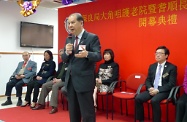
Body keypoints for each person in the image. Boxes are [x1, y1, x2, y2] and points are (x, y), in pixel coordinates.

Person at [62, 13, 102, 122]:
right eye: (69, 23)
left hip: (84, 81)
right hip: (70, 81)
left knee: (87, 113)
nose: (70, 25)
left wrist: (87, 54)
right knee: (73, 112)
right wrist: (66, 52)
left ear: (81, 23)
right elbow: (65, 59)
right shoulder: (69, 39)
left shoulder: (91, 38)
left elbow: (98, 56)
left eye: (73, 22)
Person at [135, 46, 177, 122]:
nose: (157, 55)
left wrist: (157, 90)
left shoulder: (172, 67)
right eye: (156, 53)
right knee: (138, 98)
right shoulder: (152, 66)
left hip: (163, 90)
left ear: (166, 55)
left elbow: (171, 84)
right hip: (152, 88)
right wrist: (149, 87)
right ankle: (140, 120)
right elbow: (148, 80)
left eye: (160, 53)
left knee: (154, 101)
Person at [32, 49, 68, 114]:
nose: (61, 57)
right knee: (45, 85)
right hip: (57, 80)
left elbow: (69, 75)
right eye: (60, 55)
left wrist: (60, 80)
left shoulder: (70, 64)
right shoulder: (60, 64)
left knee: (55, 86)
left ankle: (54, 107)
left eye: (62, 55)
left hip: (65, 80)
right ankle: (41, 104)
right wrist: (54, 78)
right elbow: (57, 73)